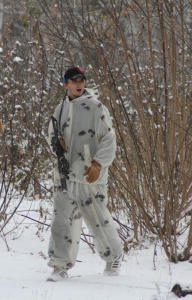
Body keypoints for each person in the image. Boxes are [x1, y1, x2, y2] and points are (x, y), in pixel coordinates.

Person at [47, 66, 122, 282]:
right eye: (74, 80)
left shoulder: (96, 107)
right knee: (61, 219)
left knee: (97, 218)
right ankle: (59, 265)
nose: (79, 84)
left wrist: (98, 163)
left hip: (89, 173)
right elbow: (51, 133)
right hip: (64, 174)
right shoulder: (59, 109)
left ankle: (113, 257)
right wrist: (56, 143)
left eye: (82, 80)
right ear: (65, 84)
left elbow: (109, 138)